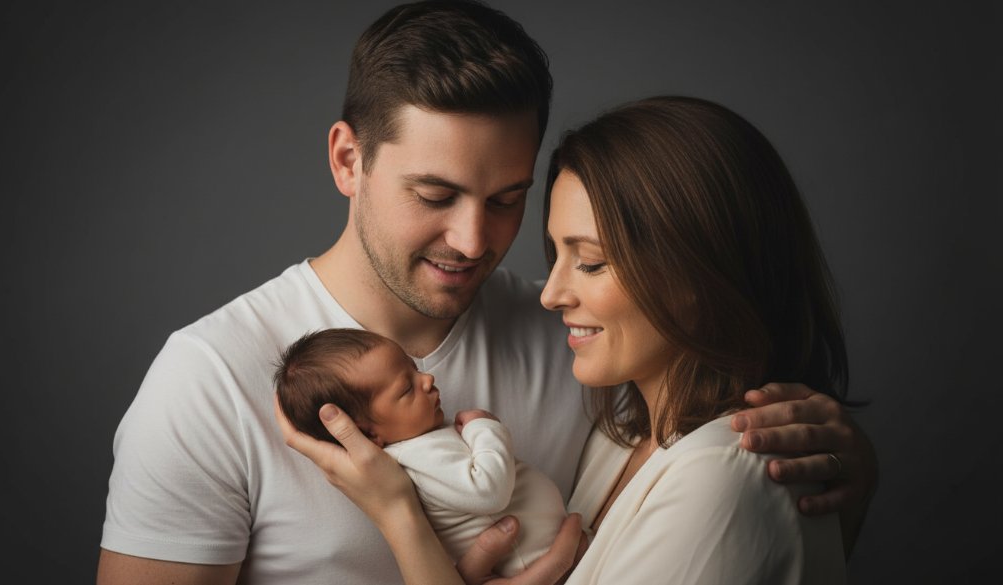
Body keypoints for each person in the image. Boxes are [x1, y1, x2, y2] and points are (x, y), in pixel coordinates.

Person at [99, 2, 877, 583]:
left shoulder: (580, 342)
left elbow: (714, 497)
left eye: (506, 198)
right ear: (347, 160)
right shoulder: (209, 380)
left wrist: (846, 471)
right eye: (435, 194)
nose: (474, 241)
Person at [279, 95, 859, 584]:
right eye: (556, 255)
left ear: (699, 277)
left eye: (591, 263)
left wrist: (399, 514)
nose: (550, 294)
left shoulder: (724, 478)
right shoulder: (624, 430)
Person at [274, 327, 568, 577]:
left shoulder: (424, 439)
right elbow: (489, 491)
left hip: (544, 548)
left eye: (414, 369)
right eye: (406, 389)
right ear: (368, 434)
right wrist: (485, 428)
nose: (427, 380)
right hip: (533, 560)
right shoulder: (416, 457)